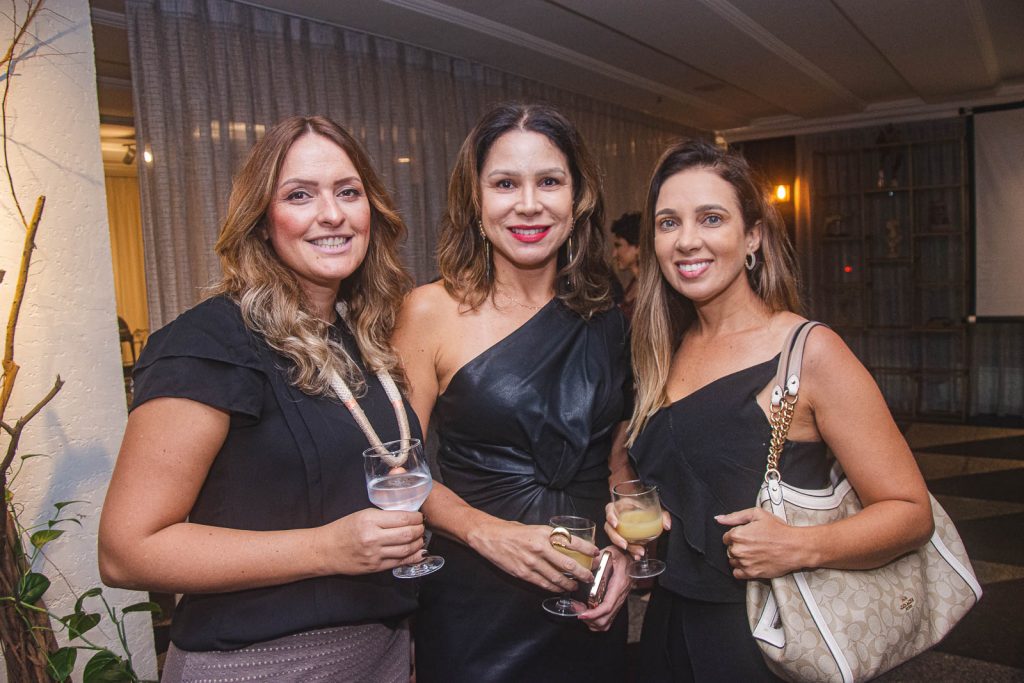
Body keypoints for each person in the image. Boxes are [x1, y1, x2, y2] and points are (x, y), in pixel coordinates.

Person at [99, 115, 426, 682]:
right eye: (300, 195)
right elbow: (126, 552)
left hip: (380, 654)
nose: (332, 214)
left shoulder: (357, 340)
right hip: (260, 664)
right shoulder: (208, 342)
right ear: (261, 221)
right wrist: (327, 549)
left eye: (348, 192)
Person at [605, 139, 934, 681]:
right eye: (668, 223)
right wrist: (626, 514)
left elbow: (909, 512)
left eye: (711, 218)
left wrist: (801, 545)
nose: (687, 241)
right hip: (666, 622)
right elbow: (647, 474)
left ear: (752, 235)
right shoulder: (657, 350)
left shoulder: (809, 352)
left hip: (768, 638)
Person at [394, 102, 633, 682]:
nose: (529, 204)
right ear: (475, 202)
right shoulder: (430, 311)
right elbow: (399, 468)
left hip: (584, 589)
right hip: (475, 599)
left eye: (549, 181)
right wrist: (488, 534)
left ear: (578, 201)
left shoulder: (611, 318)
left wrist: (627, 549)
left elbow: (619, 460)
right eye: (505, 183)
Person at [610, 211, 641, 320]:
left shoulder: (650, 288)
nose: (614, 254)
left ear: (637, 247)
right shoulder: (634, 283)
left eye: (618, 245)